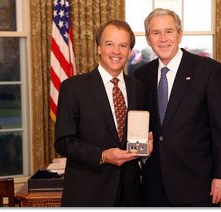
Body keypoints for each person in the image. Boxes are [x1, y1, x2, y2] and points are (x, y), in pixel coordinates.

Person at [134, 8, 221, 207]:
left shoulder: (208, 70)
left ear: (179, 34)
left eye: (169, 31)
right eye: (156, 33)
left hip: (197, 185)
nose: (163, 38)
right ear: (148, 38)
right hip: (153, 186)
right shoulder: (141, 75)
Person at [54, 19, 153, 207]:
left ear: (129, 51)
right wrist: (103, 155)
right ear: (98, 48)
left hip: (131, 195)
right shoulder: (73, 87)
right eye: (110, 44)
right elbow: (63, 141)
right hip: (88, 193)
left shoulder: (138, 88)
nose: (116, 51)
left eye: (123, 45)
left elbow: (137, 137)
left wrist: (146, 149)